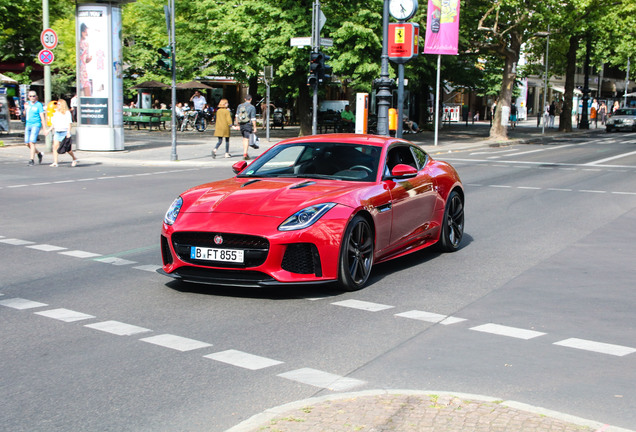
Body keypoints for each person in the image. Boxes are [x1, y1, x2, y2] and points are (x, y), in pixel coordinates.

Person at [46, 99, 77, 167]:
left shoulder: (67, 113)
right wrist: (48, 130)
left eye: (59, 104)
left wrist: (68, 132)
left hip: (65, 132)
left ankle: (74, 158)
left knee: (68, 150)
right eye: (57, 104)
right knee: (55, 147)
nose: (57, 105)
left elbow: (69, 123)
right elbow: (53, 124)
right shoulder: (56, 113)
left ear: (63, 105)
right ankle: (55, 162)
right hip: (57, 131)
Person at [23, 91, 46, 166]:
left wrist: (44, 128)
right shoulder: (27, 104)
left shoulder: (39, 105)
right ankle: (39, 154)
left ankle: (31, 160)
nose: (32, 97)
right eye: (30, 96)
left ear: (36, 96)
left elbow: (42, 117)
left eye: (33, 96)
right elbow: (24, 114)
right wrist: (25, 109)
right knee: (27, 143)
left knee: (32, 142)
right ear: (28, 97)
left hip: (36, 124)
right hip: (28, 124)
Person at [234, 94, 257, 160]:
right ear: (251, 99)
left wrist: (237, 124)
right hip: (248, 124)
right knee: (247, 138)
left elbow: (236, 116)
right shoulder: (252, 107)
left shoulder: (240, 106)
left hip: (241, 124)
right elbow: (253, 118)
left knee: (244, 138)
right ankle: (245, 154)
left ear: (244, 99)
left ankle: (245, 152)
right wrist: (255, 127)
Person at [79, 23, 92, 96]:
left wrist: (88, 59)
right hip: (81, 66)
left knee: (86, 84)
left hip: (82, 66)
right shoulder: (83, 43)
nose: (86, 33)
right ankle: (88, 99)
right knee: (85, 84)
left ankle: (88, 99)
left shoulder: (85, 43)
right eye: (84, 31)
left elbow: (86, 58)